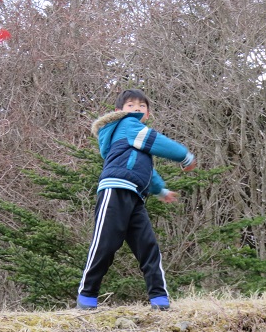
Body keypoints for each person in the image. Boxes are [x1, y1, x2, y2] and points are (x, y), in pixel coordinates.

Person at [76, 89, 197, 310]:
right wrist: (184, 155)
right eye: (131, 105)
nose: (137, 109)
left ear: (148, 113)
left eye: (142, 106)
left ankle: (159, 299)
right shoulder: (127, 125)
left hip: (135, 196)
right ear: (119, 111)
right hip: (114, 190)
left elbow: (145, 170)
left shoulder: (134, 136)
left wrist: (160, 191)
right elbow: (157, 142)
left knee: (148, 246)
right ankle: (87, 296)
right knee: (105, 244)